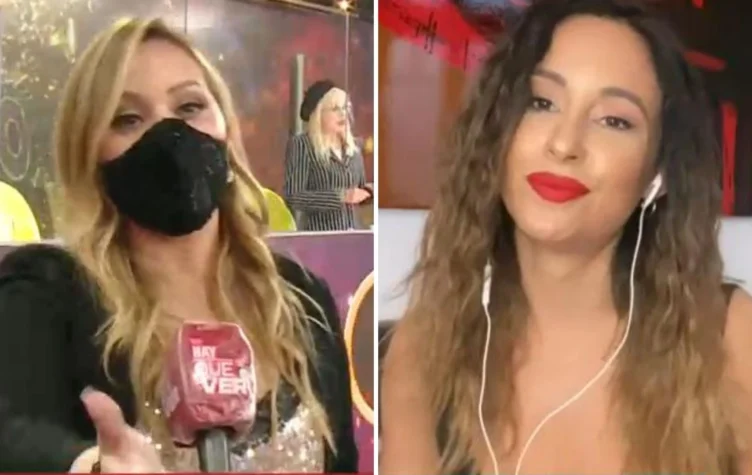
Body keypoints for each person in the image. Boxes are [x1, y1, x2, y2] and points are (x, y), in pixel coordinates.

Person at [381, 1, 752, 474]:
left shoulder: (728, 337)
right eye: (541, 102)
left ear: (657, 173)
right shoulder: (423, 350)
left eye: (614, 120)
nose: (564, 144)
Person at [0, 18, 357, 473]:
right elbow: (13, 431)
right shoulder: (48, 293)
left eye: (189, 106)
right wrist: (90, 465)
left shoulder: (302, 298)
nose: (169, 134)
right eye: (128, 119)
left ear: (226, 129)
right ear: (90, 153)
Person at [283, 80, 372, 231]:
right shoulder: (302, 145)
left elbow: (358, 191)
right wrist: (340, 197)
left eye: (346, 108)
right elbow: (294, 196)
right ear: (319, 113)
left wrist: (370, 192)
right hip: (320, 234)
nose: (343, 114)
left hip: (353, 233)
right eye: (335, 109)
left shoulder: (354, 147)